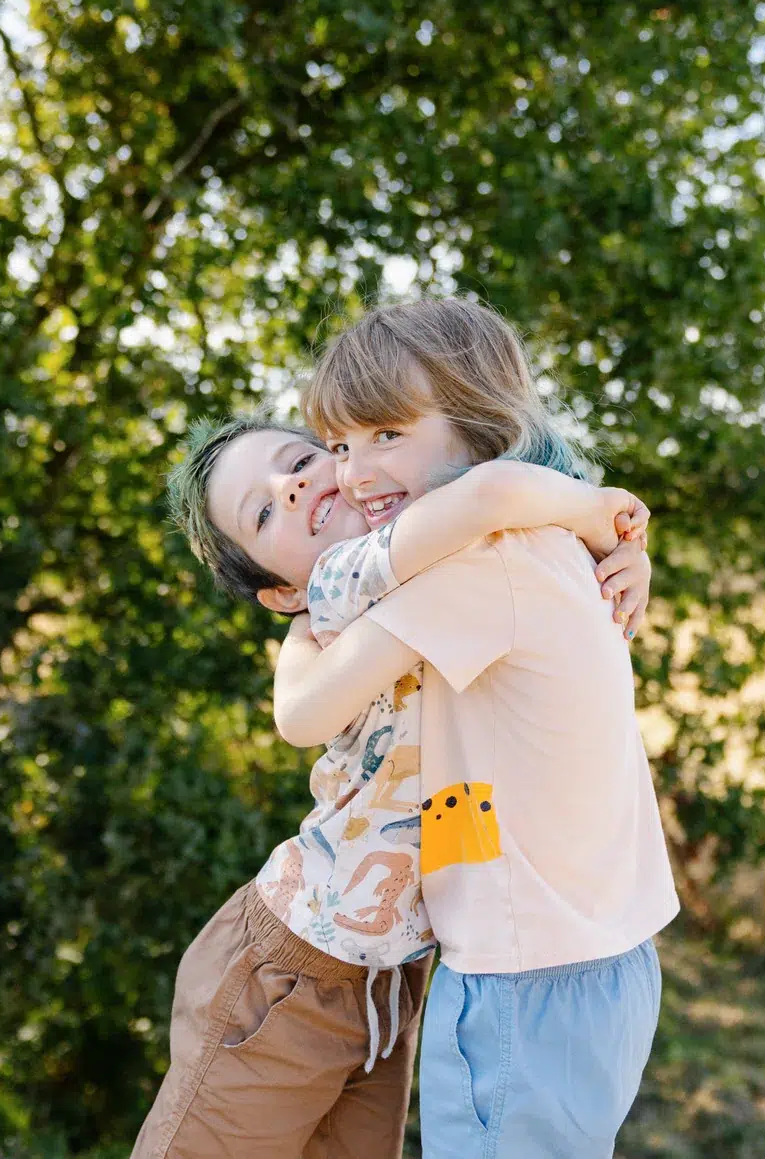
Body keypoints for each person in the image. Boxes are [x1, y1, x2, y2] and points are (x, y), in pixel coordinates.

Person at [130, 412, 651, 1159]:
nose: (296, 483)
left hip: (391, 979)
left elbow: (506, 524)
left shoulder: (442, 559)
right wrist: (603, 510)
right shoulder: (346, 579)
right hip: (290, 971)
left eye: (302, 458)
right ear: (283, 596)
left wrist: (625, 552)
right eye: (266, 510)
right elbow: (493, 494)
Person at [276, 297, 681, 1158]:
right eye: (341, 445)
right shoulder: (555, 536)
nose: (352, 472)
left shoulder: (482, 558)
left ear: (479, 423)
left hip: (520, 978)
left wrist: (300, 618)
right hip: (611, 957)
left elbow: (305, 712)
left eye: (387, 433)